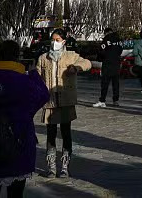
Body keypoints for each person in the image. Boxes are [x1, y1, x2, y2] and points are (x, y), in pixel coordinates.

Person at [0, 40, 50, 198]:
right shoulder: (24, 80)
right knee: (15, 193)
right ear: (18, 56)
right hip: (19, 141)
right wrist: (33, 74)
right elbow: (43, 96)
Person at [36, 28, 92, 178]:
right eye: (53, 40)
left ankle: (65, 166)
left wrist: (76, 68)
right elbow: (37, 76)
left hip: (66, 100)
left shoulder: (71, 56)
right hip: (50, 100)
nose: (55, 43)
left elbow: (87, 63)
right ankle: (51, 166)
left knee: (66, 133)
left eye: (58, 40)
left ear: (64, 42)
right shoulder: (43, 58)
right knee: (51, 134)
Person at [95, 27, 124, 108]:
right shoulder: (118, 40)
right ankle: (116, 100)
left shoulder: (106, 39)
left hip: (107, 63)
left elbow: (101, 51)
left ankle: (102, 100)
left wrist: (101, 58)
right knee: (116, 83)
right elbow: (120, 50)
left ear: (106, 33)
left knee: (105, 83)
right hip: (116, 63)